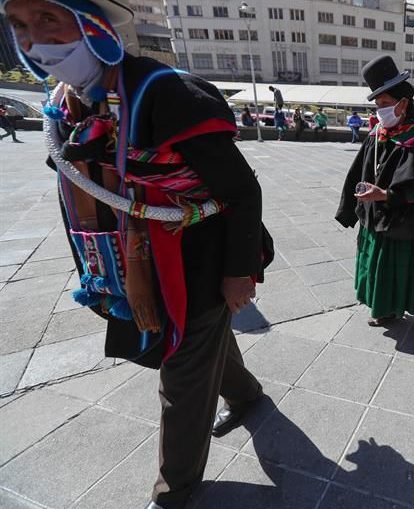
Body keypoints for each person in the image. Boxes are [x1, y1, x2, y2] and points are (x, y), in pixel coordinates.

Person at [2, 0, 273, 507]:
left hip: (197, 255)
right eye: (19, 25)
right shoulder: (67, 103)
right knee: (203, 343)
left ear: (93, 26)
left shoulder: (166, 95)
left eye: (47, 20)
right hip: (133, 250)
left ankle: (174, 491)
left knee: (181, 372)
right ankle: (246, 394)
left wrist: (240, 273)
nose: (34, 40)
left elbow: (242, 190)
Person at [336, 55, 414, 326]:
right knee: (381, 265)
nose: (380, 111)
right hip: (378, 213)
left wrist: (386, 195)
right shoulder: (379, 133)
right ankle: (386, 308)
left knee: (404, 266)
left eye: (385, 104)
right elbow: (359, 170)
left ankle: (408, 304)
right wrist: (353, 208)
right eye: (377, 105)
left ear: (404, 102)